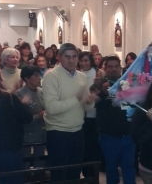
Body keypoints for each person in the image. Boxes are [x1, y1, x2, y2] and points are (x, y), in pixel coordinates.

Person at [42, 43, 96, 181]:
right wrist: (76, 99)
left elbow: (86, 108)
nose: (71, 60)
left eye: (74, 57)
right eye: (67, 57)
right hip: (58, 132)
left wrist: (90, 101)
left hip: (78, 131)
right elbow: (51, 108)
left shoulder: (82, 77)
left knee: (75, 173)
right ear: (59, 58)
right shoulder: (51, 77)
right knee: (59, 175)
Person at [95, 55, 136, 184]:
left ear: (120, 68)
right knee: (111, 169)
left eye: (116, 66)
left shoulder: (128, 84)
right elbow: (92, 104)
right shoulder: (98, 85)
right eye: (110, 67)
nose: (113, 69)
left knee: (129, 169)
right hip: (108, 136)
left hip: (128, 136)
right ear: (105, 69)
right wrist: (103, 92)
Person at [78, 51, 104, 177]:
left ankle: (92, 177)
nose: (83, 63)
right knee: (82, 148)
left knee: (92, 148)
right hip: (80, 115)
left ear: (91, 61)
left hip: (95, 116)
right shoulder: (76, 74)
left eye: (86, 60)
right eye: (81, 60)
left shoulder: (98, 73)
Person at [15, 66, 45, 168]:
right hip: (27, 133)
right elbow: (19, 116)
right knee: (26, 160)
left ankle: (39, 175)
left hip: (41, 131)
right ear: (27, 78)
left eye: (39, 75)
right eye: (35, 75)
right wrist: (37, 116)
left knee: (40, 159)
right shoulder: (19, 94)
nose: (39, 78)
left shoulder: (41, 91)